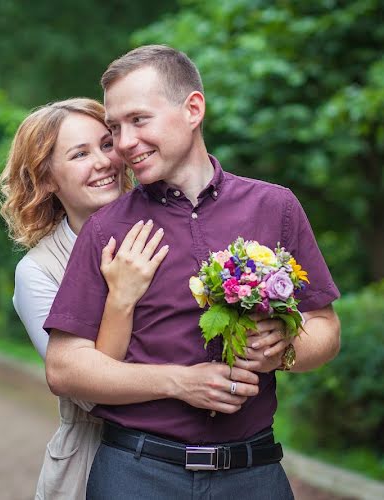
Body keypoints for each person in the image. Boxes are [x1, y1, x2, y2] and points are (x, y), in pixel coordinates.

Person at [43, 45, 342, 499]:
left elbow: (325, 328)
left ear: (193, 109)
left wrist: (284, 348)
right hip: (136, 474)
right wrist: (181, 382)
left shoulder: (275, 206)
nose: (123, 143)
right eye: (115, 127)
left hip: (253, 473)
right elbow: (65, 369)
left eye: (138, 120)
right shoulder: (106, 227)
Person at [0, 98, 170, 499]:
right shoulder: (39, 271)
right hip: (97, 456)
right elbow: (89, 393)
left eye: (107, 145)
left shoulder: (165, 226)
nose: (104, 161)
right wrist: (121, 297)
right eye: (80, 154)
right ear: (47, 179)